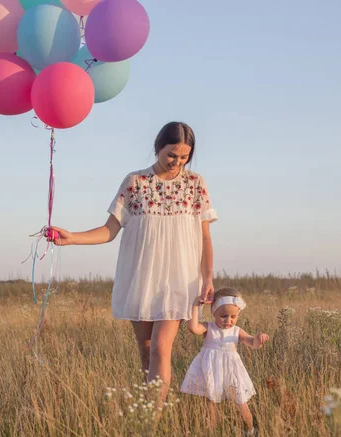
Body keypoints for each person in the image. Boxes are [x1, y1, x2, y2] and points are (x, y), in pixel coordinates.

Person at [51, 121, 217, 401]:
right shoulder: (135, 182)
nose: (177, 162)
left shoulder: (195, 184)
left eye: (184, 157)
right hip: (141, 278)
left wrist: (208, 278)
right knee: (146, 350)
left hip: (180, 279)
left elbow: (205, 237)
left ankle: (152, 421)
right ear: (158, 148)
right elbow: (109, 230)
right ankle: (148, 408)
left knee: (160, 349)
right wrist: (72, 238)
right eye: (171, 155)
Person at [180, 287, 270, 436]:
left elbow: (252, 343)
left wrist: (259, 340)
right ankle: (212, 431)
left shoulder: (237, 331)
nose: (228, 320)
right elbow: (193, 328)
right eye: (223, 316)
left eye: (233, 317)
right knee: (211, 402)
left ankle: (250, 430)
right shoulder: (209, 327)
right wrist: (195, 306)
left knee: (240, 401)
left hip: (232, 370)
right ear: (214, 312)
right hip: (212, 370)